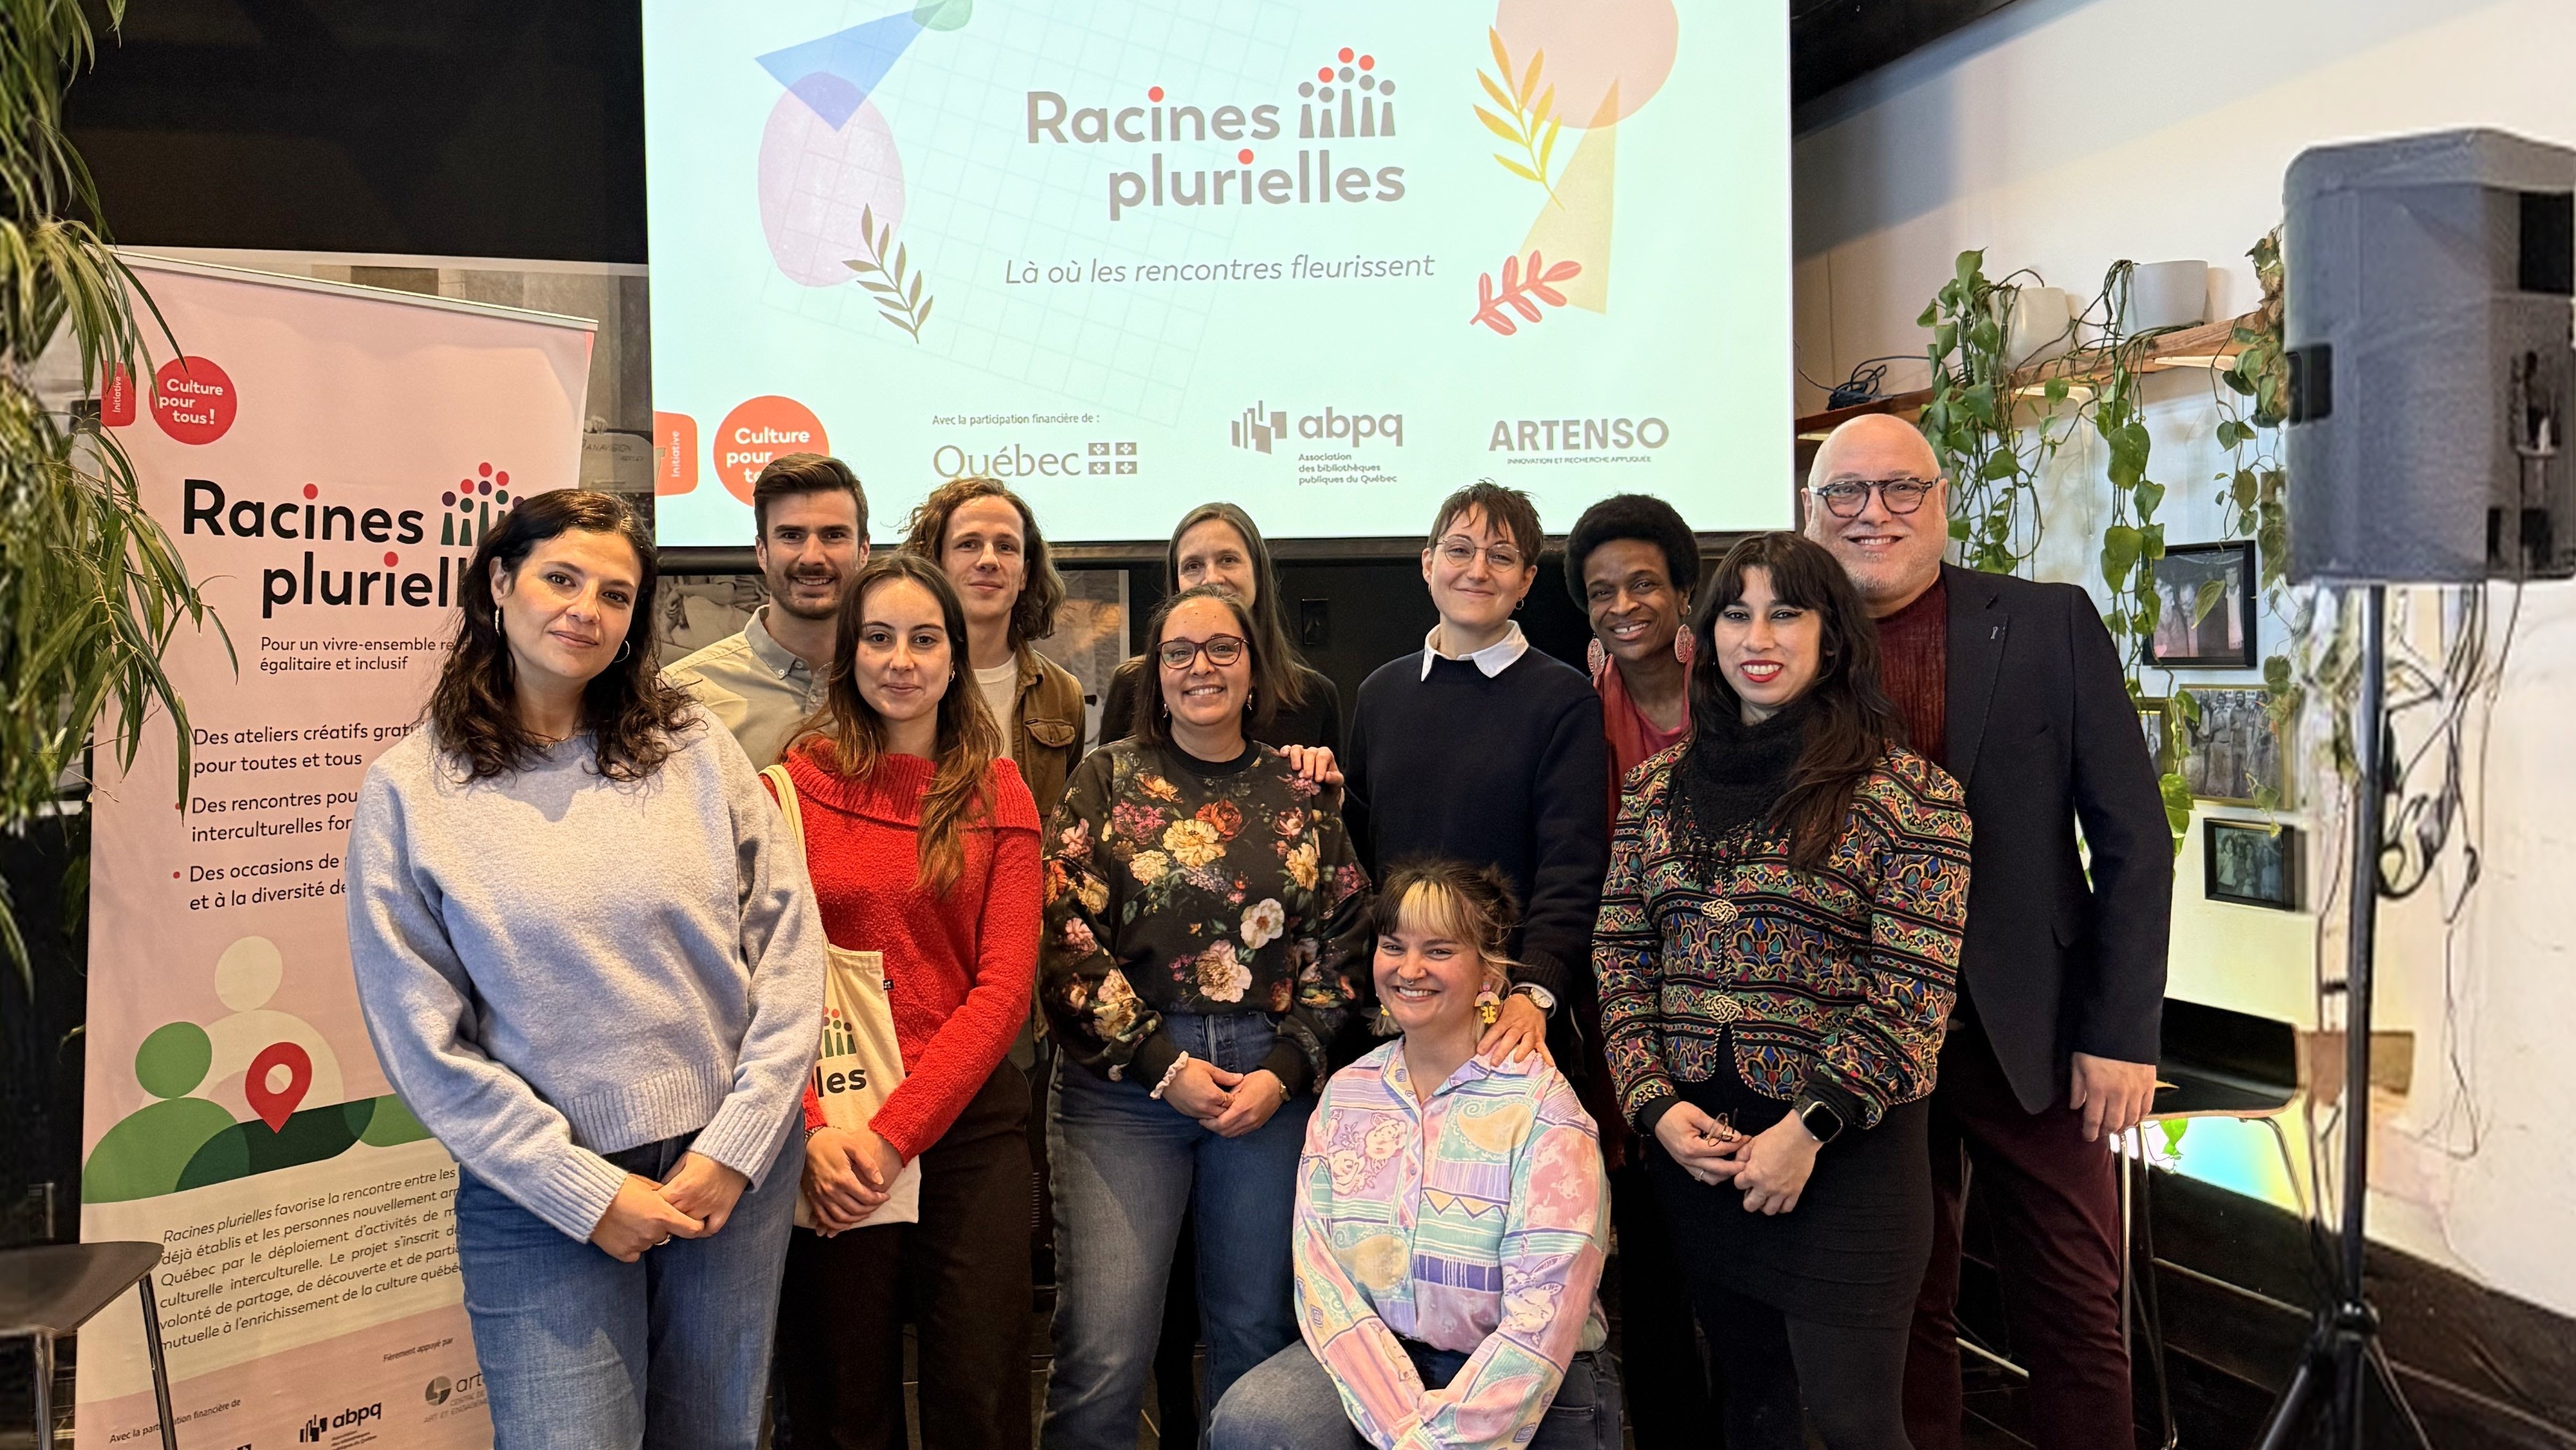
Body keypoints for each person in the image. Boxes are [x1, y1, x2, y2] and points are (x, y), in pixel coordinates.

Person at [345, 490, 825, 1450]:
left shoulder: (692, 748)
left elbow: (790, 948)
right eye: (561, 578)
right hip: (541, 1193)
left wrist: (738, 1145)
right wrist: (584, 1190)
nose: (585, 610)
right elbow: (421, 1040)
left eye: (615, 594)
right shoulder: (410, 791)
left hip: (725, 1173)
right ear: (499, 583)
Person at [1798, 415, 2170, 1450]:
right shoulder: (1783, 643)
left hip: (2035, 1035)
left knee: (2073, 1309)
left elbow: (2134, 838)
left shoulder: (2049, 623)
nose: (1874, 512)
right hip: (1861, 1045)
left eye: (1901, 488)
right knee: (1901, 1314)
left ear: (1943, 500)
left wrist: (2123, 1031)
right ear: (1810, 512)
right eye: (1846, 492)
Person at [1594, 531, 1972, 1450]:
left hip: (1843, 1163)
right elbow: (1619, 952)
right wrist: (1653, 1108)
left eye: (1786, 611)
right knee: (1751, 1407)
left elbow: (1912, 998)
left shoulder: (1912, 795)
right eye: (1737, 612)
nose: (1758, 635)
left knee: (1854, 1422)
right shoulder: (1655, 791)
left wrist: (1808, 1129)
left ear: (1831, 636)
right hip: (1703, 1157)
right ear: (1708, 636)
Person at [1039, 584, 1368, 1450]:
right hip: (1125, 1089)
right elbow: (1065, 935)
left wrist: (1287, 1071)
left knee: (1255, 1336)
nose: (1201, 667)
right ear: (1155, 673)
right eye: (1180, 651)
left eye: (1222, 648)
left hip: (1268, 1084)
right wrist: (1163, 1066)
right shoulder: (1105, 778)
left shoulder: (1298, 790)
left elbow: (1344, 944)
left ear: (1255, 667)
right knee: (1104, 1354)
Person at [770, 552, 1043, 1450]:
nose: (901, 659)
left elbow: (1003, 989)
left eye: (925, 639)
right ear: (848, 653)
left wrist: (899, 1133)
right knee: (840, 1396)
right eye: (879, 638)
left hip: (965, 1127)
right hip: (833, 1129)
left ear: (956, 657)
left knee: (979, 1390)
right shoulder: (794, 786)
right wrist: (816, 1130)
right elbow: (760, 974)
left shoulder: (998, 790)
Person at [1210, 859, 1619, 1450]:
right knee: (1256, 1424)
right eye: (1393, 946)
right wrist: (1402, 1418)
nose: (1410, 969)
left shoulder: (1544, 1108)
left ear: (1489, 968)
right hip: (1380, 1357)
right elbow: (1322, 1278)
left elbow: (1544, 1316)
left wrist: (1437, 1440)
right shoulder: (1347, 1095)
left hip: (1524, 1375)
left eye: (1440, 950)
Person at [1343, 481, 1608, 1071]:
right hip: (1396, 1011)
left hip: (1508, 1016)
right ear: (1428, 563)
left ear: (1527, 581)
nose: (1477, 570)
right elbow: (1359, 860)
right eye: (1460, 550)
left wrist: (1536, 991)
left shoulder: (1564, 700)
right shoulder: (1379, 694)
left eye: (1502, 555)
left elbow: (1573, 865)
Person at [1559, 493, 1713, 1450]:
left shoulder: (1737, 677)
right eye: (1602, 591)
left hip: (1730, 993)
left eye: (1644, 584)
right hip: (1623, 994)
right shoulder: (1585, 695)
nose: (1623, 606)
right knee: (1647, 1248)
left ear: (1686, 594)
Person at [665, 452, 869, 767]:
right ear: (762, 552)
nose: (812, 557)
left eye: (834, 535)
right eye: (791, 535)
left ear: (864, 550)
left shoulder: (898, 684)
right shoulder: (684, 695)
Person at [903, 475, 1087, 818]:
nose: (989, 560)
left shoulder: (1062, 694)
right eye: (968, 544)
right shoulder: (898, 676)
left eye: (1006, 546)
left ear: (1024, 574)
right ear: (935, 563)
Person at [1099, 502, 1343, 750]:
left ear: (1258, 572)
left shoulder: (1315, 696)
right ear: (1176, 583)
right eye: (1193, 566)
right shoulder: (1133, 684)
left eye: (1228, 560)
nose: (1212, 578)